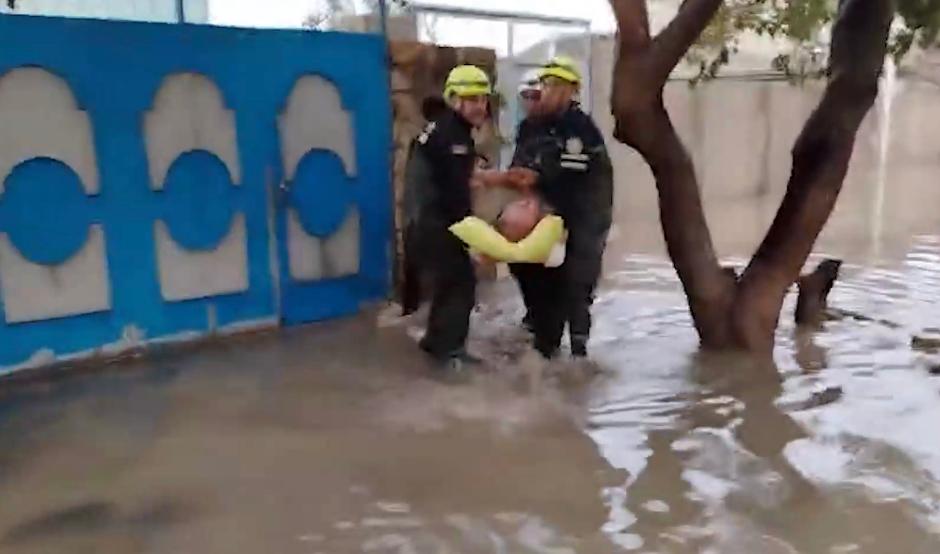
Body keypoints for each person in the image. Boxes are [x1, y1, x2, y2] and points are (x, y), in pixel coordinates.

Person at [509, 56, 614, 359]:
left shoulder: (579, 129)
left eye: (555, 85)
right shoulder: (531, 126)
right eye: (545, 84)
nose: (548, 91)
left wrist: (535, 179)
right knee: (528, 266)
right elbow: (521, 162)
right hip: (547, 210)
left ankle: (579, 352)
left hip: (585, 214)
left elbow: (567, 175)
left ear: (572, 91)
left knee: (576, 282)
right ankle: (542, 335)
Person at [400, 65, 494, 370]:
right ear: (455, 100)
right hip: (435, 224)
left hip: (422, 223)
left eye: (483, 99)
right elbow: (456, 198)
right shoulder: (454, 137)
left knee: (448, 284)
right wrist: (473, 241)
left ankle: (435, 345)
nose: (480, 106)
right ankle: (450, 353)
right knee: (461, 283)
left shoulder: (442, 129)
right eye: (472, 99)